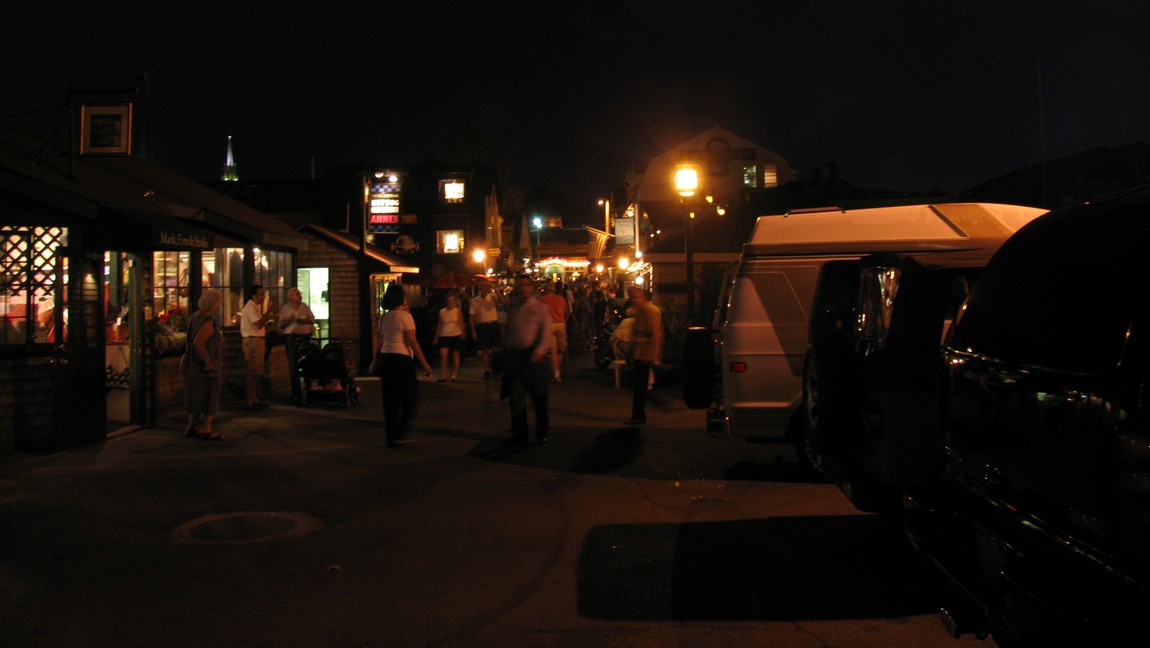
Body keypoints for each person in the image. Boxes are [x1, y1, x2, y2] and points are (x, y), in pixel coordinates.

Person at [376, 284, 433, 447]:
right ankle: (400, 432)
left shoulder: (384, 317)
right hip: (401, 358)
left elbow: (381, 341)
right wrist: (425, 365)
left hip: (386, 358)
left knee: (390, 399)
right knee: (411, 395)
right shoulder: (405, 317)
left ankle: (391, 436)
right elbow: (412, 342)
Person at [501, 274, 552, 444]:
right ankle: (519, 433)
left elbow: (546, 333)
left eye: (526, 285)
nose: (523, 288)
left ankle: (541, 432)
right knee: (516, 398)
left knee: (538, 398)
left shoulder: (540, 308)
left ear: (532, 288)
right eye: (520, 285)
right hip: (516, 357)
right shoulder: (514, 306)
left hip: (534, 358)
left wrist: (540, 350)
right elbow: (511, 328)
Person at [184, 288, 224, 441]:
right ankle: (207, 428)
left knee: (195, 394)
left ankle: (191, 426)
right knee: (209, 395)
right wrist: (209, 362)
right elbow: (198, 342)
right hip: (204, 366)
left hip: (192, 364)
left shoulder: (194, 316)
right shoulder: (207, 320)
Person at [623, 286, 663, 426]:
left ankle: (639, 414)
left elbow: (655, 334)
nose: (634, 301)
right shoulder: (643, 311)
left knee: (640, 385)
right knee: (639, 385)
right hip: (640, 353)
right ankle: (639, 413)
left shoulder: (650, 311)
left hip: (645, 353)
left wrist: (655, 354)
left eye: (635, 298)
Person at [240, 284, 276, 410]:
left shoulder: (255, 307)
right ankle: (249, 399)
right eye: (261, 294)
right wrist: (269, 311)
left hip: (257, 340)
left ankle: (254, 397)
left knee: (256, 371)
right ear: (254, 295)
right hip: (253, 341)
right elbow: (259, 323)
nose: (263, 297)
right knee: (251, 371)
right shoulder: (250, 307)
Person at [277, 287, 315, 404]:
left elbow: (312, 319)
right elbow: (281, 325)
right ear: (291, 297)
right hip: (291, 337)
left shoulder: (304, 307)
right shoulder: (286, 309)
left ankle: (308, 390)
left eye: (299, 294)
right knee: (293, 364)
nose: (299, 296)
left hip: (304, 336)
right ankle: (296, 392)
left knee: (306, 362)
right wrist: (288, 320)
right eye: (296, 294)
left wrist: (304, 321)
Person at [469, 282, 502, 379]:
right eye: (482, 287)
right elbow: (472, 317)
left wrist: (495, 289)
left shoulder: (492, 297)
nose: (484, 289)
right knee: (485, 349)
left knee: (496, 348)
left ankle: (496, 368)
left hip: (493, 324)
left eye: (486, 287)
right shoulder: (474, 300)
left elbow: (502, 300)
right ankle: (486, 370)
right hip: (482, 326)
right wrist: (473, 331)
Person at [539, 281, 570, 381]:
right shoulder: (561, 299)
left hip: (550, 324)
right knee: (560, 350)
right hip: (561, 324)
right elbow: (567, 313)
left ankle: (556, 374)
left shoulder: (543, 300)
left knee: (553, 351)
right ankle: (558, 371)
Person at [433, 292, 464, 381]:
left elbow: (461, 322)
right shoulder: (442, 312)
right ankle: (444, 374)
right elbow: (439, 324)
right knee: (444, 356)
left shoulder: (457, 311)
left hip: (455, 334)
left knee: (455, 356)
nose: (450, 302)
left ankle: (454, 374)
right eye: (449, 300)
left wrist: (462, 332)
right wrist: (436, 337)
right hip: (444, 335)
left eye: (452, 300)